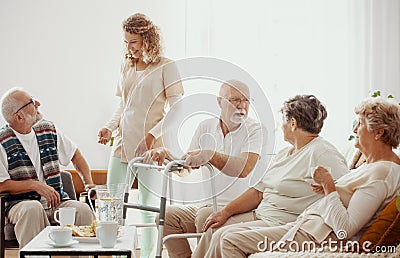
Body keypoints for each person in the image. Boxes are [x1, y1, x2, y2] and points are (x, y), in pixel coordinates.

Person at [146, 93, 348, 258]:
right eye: (236, 100)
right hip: (260, 214)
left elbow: (344, 193)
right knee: (207, 225)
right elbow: (259, 192)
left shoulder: (323, 153)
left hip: (283, 221)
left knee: (218, 232)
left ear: (293, 124)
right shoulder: (285, 153)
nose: (282, 127)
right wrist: (224, 213)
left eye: (284, 122)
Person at [201, 97, 400, 258]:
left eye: (360, 124)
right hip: (305, 227)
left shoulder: (382, 173)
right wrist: (328, 188)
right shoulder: (369, 167)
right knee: (221, 234)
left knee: (227, 240)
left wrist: (330, 186)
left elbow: (344, 230)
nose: (355, 130)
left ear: (379, 132)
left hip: (315, 235)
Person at [97, 13, 184, 258]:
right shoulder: (126, 65)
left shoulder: (166, 66)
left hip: (150, 149)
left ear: (147, 39)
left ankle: (147, 255)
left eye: (133, 42)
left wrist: (151, 136)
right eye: (126, 42)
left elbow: (177, 109)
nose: (129, 48)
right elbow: (123, 106)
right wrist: (109, 128)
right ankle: (115, 253)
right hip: (123, 144)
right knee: (112, 205)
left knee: (148, 208)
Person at [0, 88, 95, 248]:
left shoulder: (48, 129)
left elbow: (76, 155)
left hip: (57, 201)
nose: (38, 104)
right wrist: (34, 185)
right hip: (20, 204)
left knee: (82, 209)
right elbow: (2, 184)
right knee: (33, 209)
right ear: (19, 117)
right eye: (31, 102)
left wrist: (89, 183)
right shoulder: (2, 141)